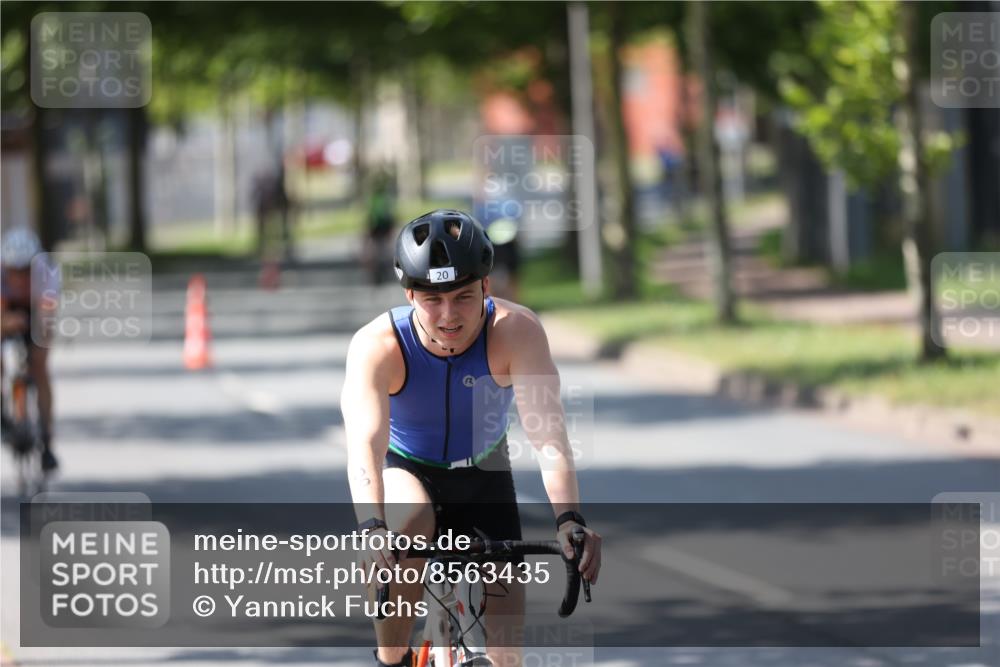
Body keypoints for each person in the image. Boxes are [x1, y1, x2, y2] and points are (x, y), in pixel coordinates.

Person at [341, 209, 602, 667]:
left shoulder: (516, 332)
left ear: (487, 287)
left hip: (484, 473)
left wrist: (569, 518)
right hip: (408, 468)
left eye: (463, 297)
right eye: (432, 300)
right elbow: (366, 444)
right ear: (409, 294)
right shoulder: (378, 345)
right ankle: (392, 658)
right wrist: (371, 528)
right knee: (410, 521)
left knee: (506, 656)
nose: (448, 315)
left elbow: (549, 438)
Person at [1, 227, 59, 472]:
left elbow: (47, 314)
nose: (20, 276)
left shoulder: (47, 272)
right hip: (7, 309)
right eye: (14, 270)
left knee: (40, 367)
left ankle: (46, 441)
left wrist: (40, 345)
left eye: (25, 270)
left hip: (36, 313)